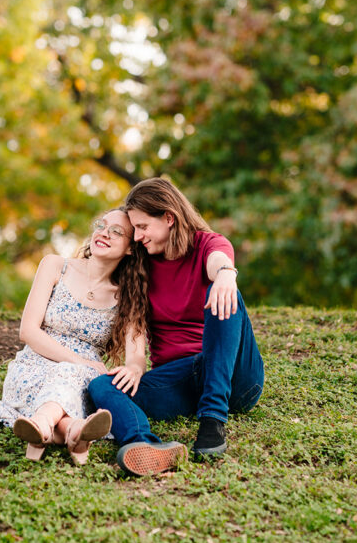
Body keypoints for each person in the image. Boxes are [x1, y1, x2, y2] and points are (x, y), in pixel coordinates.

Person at [88, 178, 265, 476]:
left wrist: (225, 274)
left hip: (236, 378)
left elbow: (219, 260)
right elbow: (135, 328)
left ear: (169, 218)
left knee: (222, 292)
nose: (139, 236)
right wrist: (134, 366)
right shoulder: (140, 266)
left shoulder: (207, 244)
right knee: (101, 385)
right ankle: (144, 444)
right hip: (182, 381)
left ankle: (212, 420)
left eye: (143, 227)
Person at [0, 208, 149, 465]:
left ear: (130, 248)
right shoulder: (55, 266)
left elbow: (137, 357)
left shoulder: (127, 296)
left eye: (116, 232)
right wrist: (79, 361)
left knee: (72, 376)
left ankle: (44, 428)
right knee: (69, 371)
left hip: (82, 380)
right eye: (101, 225)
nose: (104, 233)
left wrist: (133, 369)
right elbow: (28, 331)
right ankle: (74, 431)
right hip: (34, 366)